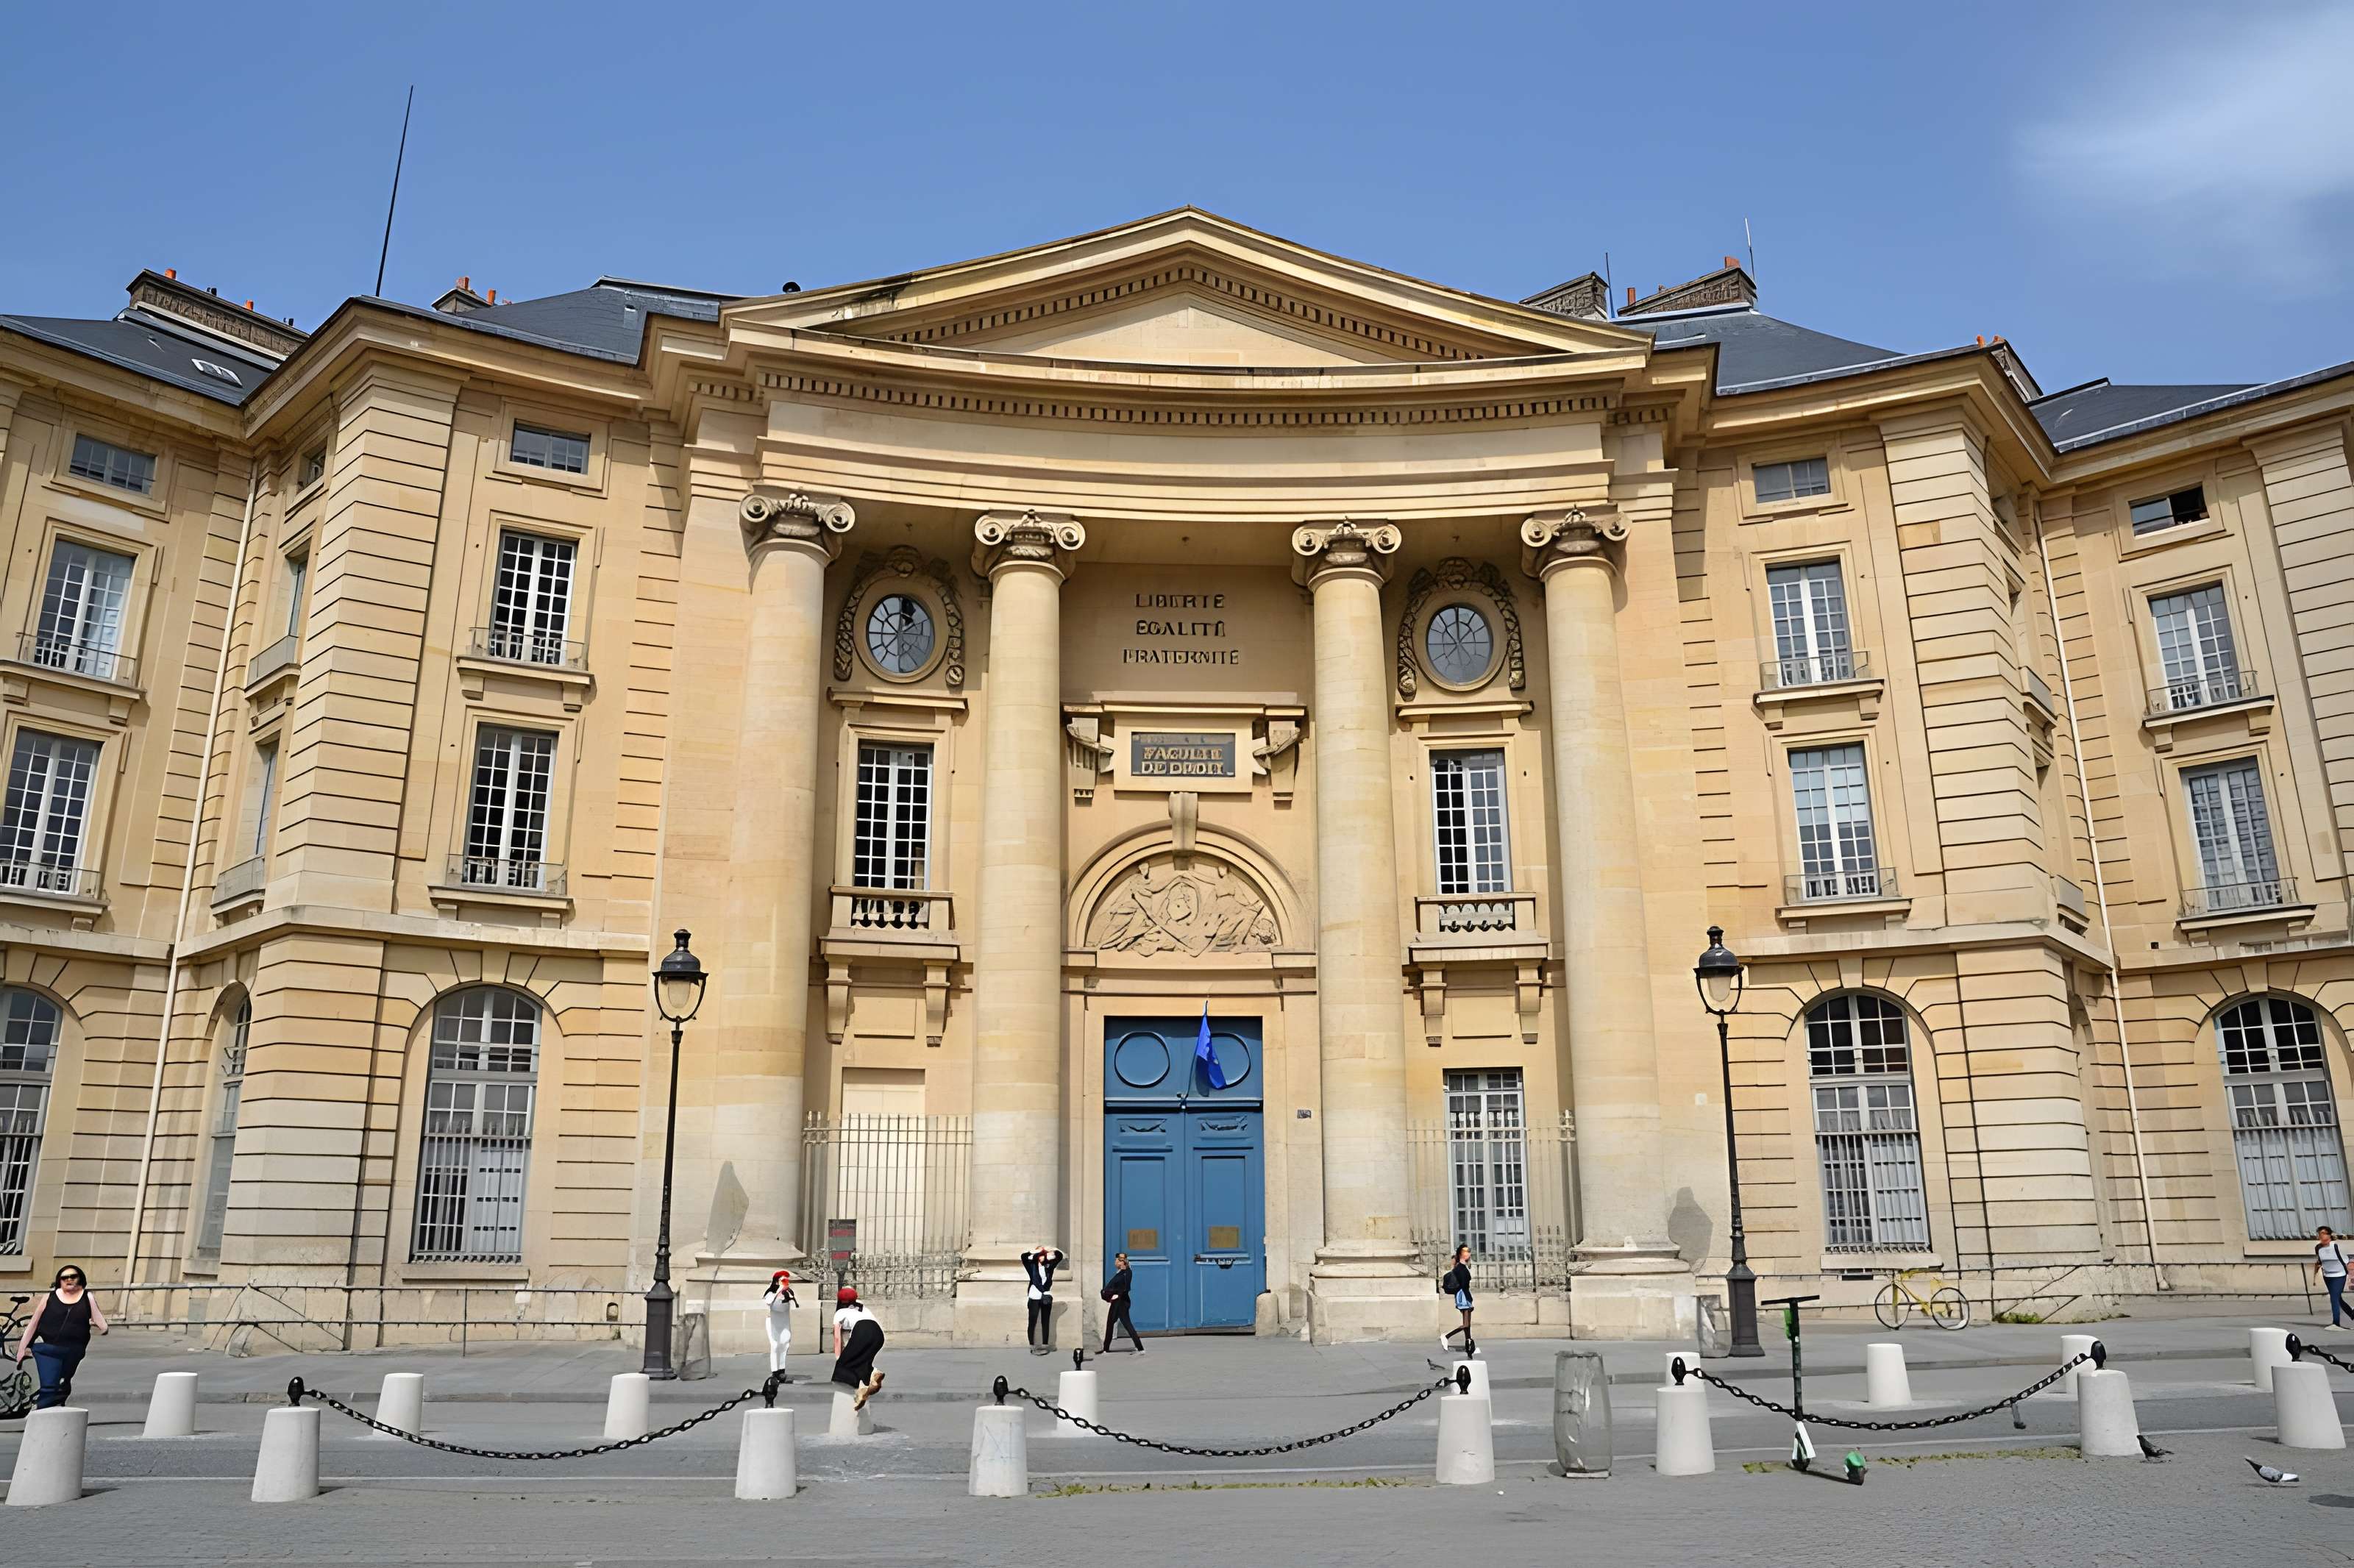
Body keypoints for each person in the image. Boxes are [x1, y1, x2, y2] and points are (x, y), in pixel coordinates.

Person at [12, 1264, 107, 1409]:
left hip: (74, 1351)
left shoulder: (88, 1297)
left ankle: (56, 1411)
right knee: (49, 1386)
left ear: (80, 1279)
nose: (69, 1279)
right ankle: (40, 1413)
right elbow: (33, 1324)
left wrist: (97, 1325)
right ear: (59, 1281)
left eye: (73, 1276)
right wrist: (22, 1349)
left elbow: (102, 1325)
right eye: (65, 1277)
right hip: (47, 1349)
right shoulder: (50, 1297)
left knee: (63, 1383)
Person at [831, 1286, 886, 1411]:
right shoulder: (862, 1308)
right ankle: (872, 1376)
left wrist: (839, 1358)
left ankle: (853, 1395)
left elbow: (838, 1338)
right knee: (862, 1362)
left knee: (843, 1368)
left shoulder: (840, 1312)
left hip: (863, 1331)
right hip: (878, 1334)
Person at [1021, 1244, 1065, 1355]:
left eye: (1043, 1255)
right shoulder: (1032, 1266)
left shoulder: (1049, 1266)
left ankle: (1045, 1345)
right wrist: (1034, 1251)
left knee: (1046, 1321)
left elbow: (1059, 1256)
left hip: (1046, 1295)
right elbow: (1023, 1257)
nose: (1042, 1257)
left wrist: (1051, 1250)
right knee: (1033, 1320)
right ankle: (1032, 1345)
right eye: (1040, 1255)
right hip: (1035, 1295)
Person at [1101, 1251, 1144, 1353]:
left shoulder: (1125, 1273)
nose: (1115, 1262)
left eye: (1117, 1260)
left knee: (1124, 1324)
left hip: (1120, 1302)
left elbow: (1125, 1287)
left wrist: (1116, 1294)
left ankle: (1140, 1348)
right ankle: (1106, 1348)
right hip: (1119, 1302)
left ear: (1121, 1262)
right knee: (1113, 1323)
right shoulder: (1123, 1272)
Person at [1439, 1244, 1476, 1358]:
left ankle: (1468, 1348)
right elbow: (1464, 1285)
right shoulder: (1460, 1268)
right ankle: (1446, 1337)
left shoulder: (1462, 1268)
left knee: (1468, 1325)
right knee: (1466, 1324)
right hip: (1463, 1296)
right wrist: (1469, 1300)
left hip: (1465, 1296)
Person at [762, 1269, 798, 1378]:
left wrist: (788, 1294)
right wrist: (779, 1290)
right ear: (777, 1281)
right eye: (783, 1279)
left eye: (787, 1280)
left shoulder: (788, 1292)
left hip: (784, 1321)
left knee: (785, 1345)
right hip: (772, 1321)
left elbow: (795, 1306)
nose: (786, 1282)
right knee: (775, 1345)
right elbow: (769, 1302)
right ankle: (774, 1371)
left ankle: (782, 1369)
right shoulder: (771, 1292)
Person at [2317, 1226, 2350, 1330]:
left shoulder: (2336, 1246)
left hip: (2339, 1275)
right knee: (2337, 1298)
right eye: (2319, 1233)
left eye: (2323, 1233)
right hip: (2327, 1275)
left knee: (2334, 1298)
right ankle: (2352, 1314)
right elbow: (2320, 1260)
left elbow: (2345, 1259)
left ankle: (2336, 1323)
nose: (2321, 1236)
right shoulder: (2318, 1248)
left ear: (2329, 1234)